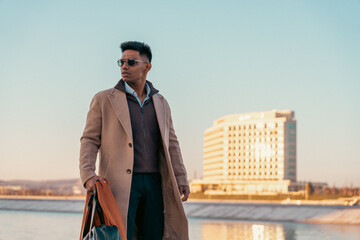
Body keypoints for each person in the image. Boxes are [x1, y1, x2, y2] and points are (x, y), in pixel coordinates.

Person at [79, 41, 190, 240]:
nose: (124, 66)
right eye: (121, 62)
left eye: (131, 62)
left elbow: (172, 143)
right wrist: (88, 174)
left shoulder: (161, 102)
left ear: (147, 67)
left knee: (154, 235)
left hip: (155, 183)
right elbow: (89, 139)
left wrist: (181, 177)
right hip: (120, 184)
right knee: (122, 235)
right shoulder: (104, 99)